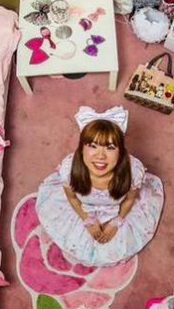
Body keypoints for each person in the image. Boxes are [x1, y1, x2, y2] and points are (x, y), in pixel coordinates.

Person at [35, 106, 164, 266]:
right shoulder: (69, 171)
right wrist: (87, 220)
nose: (100, 155)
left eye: (110, 147)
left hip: (116, 211)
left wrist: (116, 222)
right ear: (81, 149)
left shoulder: (133, 172)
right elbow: (73, 199)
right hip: (83, 209)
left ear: (120, 152)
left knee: (116, 248)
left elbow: (130, 199)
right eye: (93, 146)